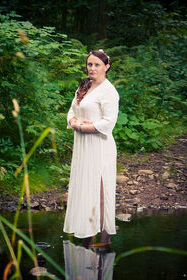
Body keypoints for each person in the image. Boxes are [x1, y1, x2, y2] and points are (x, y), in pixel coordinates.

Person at [63, 49, 119, 245]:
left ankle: (104, 239)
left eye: (97, 64)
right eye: (90, 64)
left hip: (99, 146)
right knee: (84, 187)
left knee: (99, 188)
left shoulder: (109, 91)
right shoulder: (84, 85)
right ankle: (87, 232)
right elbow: (71, 111)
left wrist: (84, 126)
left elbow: (108, 122)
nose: (93, 68)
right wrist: (74, 122)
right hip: (82, 147)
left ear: (106, 66)